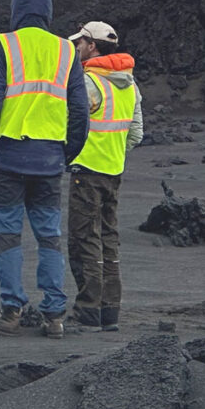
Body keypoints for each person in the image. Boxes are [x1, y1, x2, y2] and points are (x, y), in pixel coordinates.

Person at [0, 0, 90, 339]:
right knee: (50, 237)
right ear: (48, 13)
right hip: (50, 162)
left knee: (8, 236)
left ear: (16, 11)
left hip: (8, 158)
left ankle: (11, 312)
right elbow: (80, 111)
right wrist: (65, 153)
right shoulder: (66, 51)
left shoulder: (2, 45)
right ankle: (54, 316)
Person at [65, 21, 143, 332]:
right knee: (109, 240)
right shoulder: (129, 84)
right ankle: (110, 310)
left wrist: (71, 153)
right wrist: (113, 152)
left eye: (81, 43)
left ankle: (88, 310)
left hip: (87, 171)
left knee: (85, 241)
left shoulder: (88, 83)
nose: (77, 48)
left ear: (92, 46)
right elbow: (135, 133)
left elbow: (71, 122)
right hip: (113, 171)